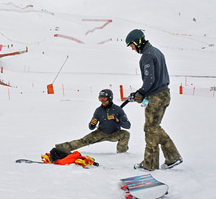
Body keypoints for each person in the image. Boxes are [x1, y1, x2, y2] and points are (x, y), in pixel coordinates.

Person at [125, 29, 182, 171]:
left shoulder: (147, 56)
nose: (131, 48)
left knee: (150, 129)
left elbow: (150, 80)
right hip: (164, 94)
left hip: (156, 97)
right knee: (155, 128)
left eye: (131, 45)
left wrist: (141, 93)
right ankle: (172, 157)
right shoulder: (156, 51)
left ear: (137, 42)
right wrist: (141, 94)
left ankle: (149, 164)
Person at [55, 89, 131, 154]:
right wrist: (92, 124)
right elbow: (91, 127)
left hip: (114, 133)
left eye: (104, 99)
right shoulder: (98, 110)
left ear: (110, 98)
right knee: (83, 141)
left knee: (125, 134)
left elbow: (128, 126)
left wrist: (117, 120)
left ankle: (122, 154)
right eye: (101, 99)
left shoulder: (118, 110)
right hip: (100, 132)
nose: (102, 101)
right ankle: (61, 148)